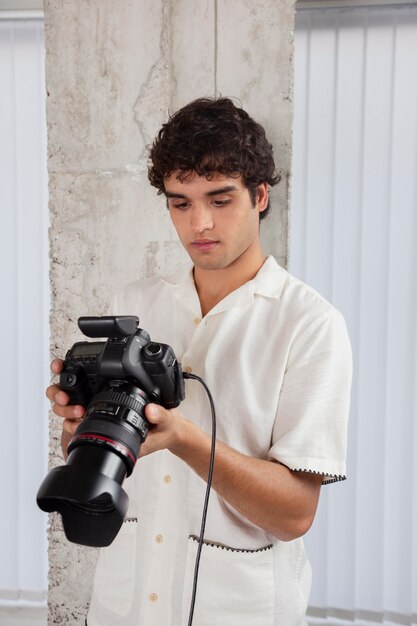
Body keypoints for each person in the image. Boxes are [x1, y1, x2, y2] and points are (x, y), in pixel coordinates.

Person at [47, 97, 352, 626]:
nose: (200, 223)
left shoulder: (309, 323)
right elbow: (86, 449)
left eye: (220, 198)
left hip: (237, 608)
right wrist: (80, 423)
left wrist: (186, 441)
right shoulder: (134, 304)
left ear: (259, 196)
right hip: (126, 603)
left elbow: (296, 513)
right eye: (180, 203)